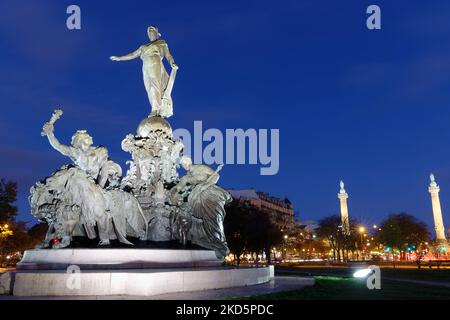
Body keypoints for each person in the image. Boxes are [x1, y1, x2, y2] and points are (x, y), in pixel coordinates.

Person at [110, 26, 178, 117]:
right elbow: (133, 54)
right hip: (145, 65)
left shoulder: (161, 43)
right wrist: (119, 58)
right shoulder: (143, 47)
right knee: (149, 87)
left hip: (155, 62)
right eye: (149, 32)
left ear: (157, 33)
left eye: (152, 31)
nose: (150, 33)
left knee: (155, 85)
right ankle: (154, 107)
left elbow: (168, 55)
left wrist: (172, 63)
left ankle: (156, 109)